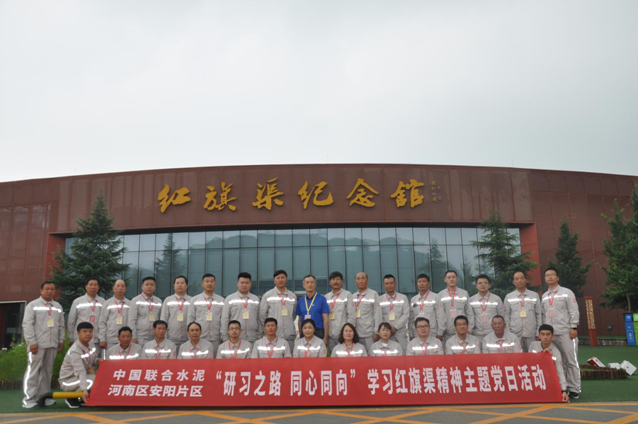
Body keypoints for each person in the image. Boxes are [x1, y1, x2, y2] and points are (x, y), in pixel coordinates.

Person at [21, 281, 65, 408]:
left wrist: (61, 340)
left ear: (55, 291)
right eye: (47, 289)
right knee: (33, 371)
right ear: (41, 290)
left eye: (52, 289)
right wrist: (32, 342)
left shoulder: (58, 306)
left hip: (52, 344)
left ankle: (43, 397)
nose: (49, 291)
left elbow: (61, 325)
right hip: (37, 345)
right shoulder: (33, 305)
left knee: (47, 372)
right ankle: (29, 399)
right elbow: (27, 325)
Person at [541, 267, 581, 399]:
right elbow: (543, 314)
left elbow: (573, 310)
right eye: (547, 275)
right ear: (545, 279)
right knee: (557, 361)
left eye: (552, 275)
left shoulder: (566, 292)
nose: (550, 277)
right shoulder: (544, 296)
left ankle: (574, 388)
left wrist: (573, 327)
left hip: (565, 332)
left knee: (571, 361)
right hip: (551, 335)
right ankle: (561, 387)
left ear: (557, 278)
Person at [59, 322, 98, 408]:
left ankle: (83, 397)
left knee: (99, 377)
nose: (88, 334)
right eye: (85, 331)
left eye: (90, 331)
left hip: (79, 378)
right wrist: (84, 390)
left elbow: (91, 360)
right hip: (68, 381)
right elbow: (81, 372)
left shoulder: (90, 344)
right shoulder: (74, 351)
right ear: (78, 333)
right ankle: (72, 398)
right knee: (94, 380)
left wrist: (98, 360)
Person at [529, 324, 570, 403]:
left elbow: (560, 372)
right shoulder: (533, 345)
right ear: (539, 336)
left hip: (549, 379)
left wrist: (564, 391)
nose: (545, 337)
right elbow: (529, 363)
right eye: (543, 334)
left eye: (548, 334)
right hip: (535, 377)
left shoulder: (556, 352)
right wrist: (542, 356)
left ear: (552, 336)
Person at [187, 273, 225, 357]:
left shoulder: (221, 300)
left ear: (215, 284)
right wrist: (190, 336)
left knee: (215, 360)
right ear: (202, 283)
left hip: (216, 337)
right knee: (200, 360)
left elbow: (223, 319)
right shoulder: (195, 299)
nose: (209, 283)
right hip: (199, 337)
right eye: (207, 281)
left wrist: (223, 336)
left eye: (212, 281)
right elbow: (190, 318)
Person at [504, 270, 542, 351]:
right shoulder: (509, 297)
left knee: (533, 354)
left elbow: (539, 314)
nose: (519, 281)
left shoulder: (534, 295)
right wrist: (508, 333)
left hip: (531, 332)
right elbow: (506, 316)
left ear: (526, 280)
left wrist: (538, 331)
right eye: (517, 279)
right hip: (515, 333)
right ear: (513, 282)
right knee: (516, 355)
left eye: (522, 278)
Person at [259, 270, 297, 351]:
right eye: (278, 278)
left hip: (289, 335)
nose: (280, 280)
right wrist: (269, 328)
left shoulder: (292, 296)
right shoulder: (267, 295)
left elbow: (293, 314)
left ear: (286, 279)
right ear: (274, 280)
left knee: (288, 357)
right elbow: (262, 315)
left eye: (283, 278)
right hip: (273, 335)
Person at [221, 272, 261, 344]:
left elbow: (259, 318)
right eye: (242, 283)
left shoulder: (256, 299)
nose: (244, 285)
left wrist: (260, 335)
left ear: (250, 284)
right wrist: (225, 336)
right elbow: (225, 318)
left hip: (252, 337)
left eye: (247, 283)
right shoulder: (229, 299)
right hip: (235, 338)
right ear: (237, 283)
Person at [67, 277, 105, 350]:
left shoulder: (102, 301)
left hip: (96, 339)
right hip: (80, 339)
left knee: (95, 357)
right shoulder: (78, 301)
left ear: (98, 287)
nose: (93, 287)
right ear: (86, 287)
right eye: (90, 285)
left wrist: (102, 338)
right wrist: (71, 338)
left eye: (95, 285)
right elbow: (71, 321)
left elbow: (104, 321)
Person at [438, 271, 474, 342]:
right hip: (447, 332)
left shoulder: (464, 293)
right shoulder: (440, 295)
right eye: (449, 277)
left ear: (457, 279)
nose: (451, 279)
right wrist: (440, 332)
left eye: (453, 277)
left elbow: (469, 313)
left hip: (463, 331)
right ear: (445, 280)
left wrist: (470, 328)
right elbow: (440, 315)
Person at [352, 272, 382, 354]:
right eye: (358, 279)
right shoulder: (353, 296)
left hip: (369, 335)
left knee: (372, 356)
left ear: (367, 280)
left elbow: (377, 314)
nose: (360, 281)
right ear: (355, 281)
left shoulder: (373, 294)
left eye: (363, 278)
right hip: (356, 334)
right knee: (358, 356)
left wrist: (376, 332)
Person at [325, 271, 355, 352]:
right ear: (330, 282)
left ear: (342, 282)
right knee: (333, 356)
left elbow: (351, 315)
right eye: (333, 279)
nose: (335, 282)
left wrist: (348, 332)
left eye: (338, 279)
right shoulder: (326, 297)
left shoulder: (347, 294)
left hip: (342, 335)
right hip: (330, 335)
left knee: (344, 356)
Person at [409, 273, 445, 342]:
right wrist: (411, 334)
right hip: (417, 333)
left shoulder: (435, 297)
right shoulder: (413, 299)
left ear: (429, 283)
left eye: (424, 281)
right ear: (417, 284)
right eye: (419, 282)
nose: (421, 284)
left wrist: (440, 333)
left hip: (432, 333)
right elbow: (411, 318)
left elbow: (440, 316)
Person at [469, 275, 504, 343]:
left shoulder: (496, 299)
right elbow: (469, 316)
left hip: (493, 334)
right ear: (476, 286)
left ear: (489, 285)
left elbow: (501, 315)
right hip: (476, 334)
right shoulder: (471, 300)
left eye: (485, 283)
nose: (482, 285)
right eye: (480, 283)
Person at [296, 275, 329, 346]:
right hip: (305, 332)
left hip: (318, 331)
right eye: (307, 282)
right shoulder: (300, 301)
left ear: (315, 284)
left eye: (311, 282)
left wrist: (326, 337)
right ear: (303, 285)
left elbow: (326, 319)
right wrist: (300, 334)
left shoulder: (322, 299)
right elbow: (299, 320)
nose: (309, 284)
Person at [379, 275, 410, 352]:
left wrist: (395, 327)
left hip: (400, 332)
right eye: (387, 283)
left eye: (391, 283)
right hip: (386, 333)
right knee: (388, 353)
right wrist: (387, 329)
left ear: (395, 284)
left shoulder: (403, 298)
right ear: (384, 285)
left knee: (402, 353)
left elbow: (406, 314)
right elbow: (379, 316)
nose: (389, 285)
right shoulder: (380, 299)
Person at [128, 276, 162, 346]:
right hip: (140, 337)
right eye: (147, 285)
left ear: (155, 287)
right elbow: (131, 320)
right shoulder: (135, 300)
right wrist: (133, 337)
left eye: (152, 285)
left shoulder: (158, 301)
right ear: (142, 287)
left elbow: (160, 319)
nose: (149, 287)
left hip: (154, 337)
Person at [160, 275, 192, 346]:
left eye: (182, 283)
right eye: (177, 283)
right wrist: (163, 335)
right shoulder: (168, 300)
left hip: (188, 337)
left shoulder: (191, 300)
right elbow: (164, 318)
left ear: (186, 286)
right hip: (171, 337)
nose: (179, 285)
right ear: (174, 286)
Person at [98, 279, 130, 350]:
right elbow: (102, 322)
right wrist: (102, 339)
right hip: (111, 338)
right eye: (118, 286)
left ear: (125, 288)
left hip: (126, 338)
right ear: (113, 288)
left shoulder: (129, 303)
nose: (120, 288)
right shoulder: (107, 303)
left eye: (122, 286)